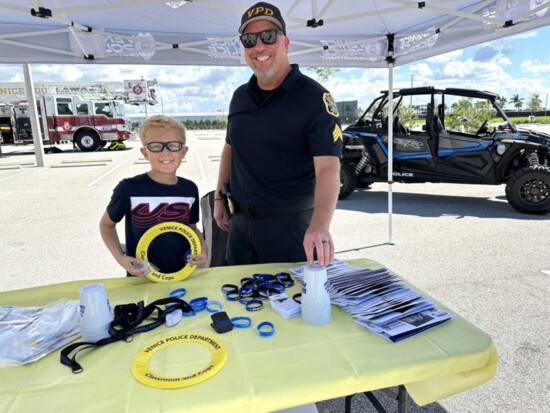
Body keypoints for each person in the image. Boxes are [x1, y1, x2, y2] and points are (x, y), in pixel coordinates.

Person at [214, 2, 343, 267]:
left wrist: (320, 226)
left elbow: (329, 169)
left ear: (286, 42)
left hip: (291, 230)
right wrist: (219, 198)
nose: (259, 46)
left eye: (268, 36)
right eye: (249, 40)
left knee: (290, 305)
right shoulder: (239, 97)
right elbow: (230, 148)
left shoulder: (314, 98)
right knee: (237, 301)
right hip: (239, 228)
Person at [100, 115, 207, 276]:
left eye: (173, 145)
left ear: (183, 151)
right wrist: (121, 259)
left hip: (182, 275)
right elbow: (106, 225)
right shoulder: (129, 188)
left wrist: (203, 249)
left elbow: (192, 228)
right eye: (156, 146)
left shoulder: (190, 189)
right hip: (141, 278)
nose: (165, 152)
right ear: (145, 153)